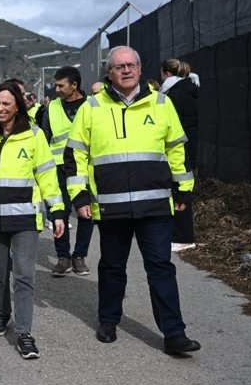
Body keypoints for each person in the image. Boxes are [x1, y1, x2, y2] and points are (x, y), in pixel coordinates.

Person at [65, 45, 201, 355]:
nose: (126, 70)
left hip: (155, 206)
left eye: (131, 65)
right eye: (119, 66)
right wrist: (80, 196)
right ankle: (108, 321)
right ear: (109, 72)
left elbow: (177, 148)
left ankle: (174, 334)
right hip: (110, 206)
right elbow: (76, 155)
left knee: (161, 268)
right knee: (112, 267)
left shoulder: (162, 103)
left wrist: (184, 189)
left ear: (140, 68)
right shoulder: (92, 107)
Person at [0, 81, 65, 359]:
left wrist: (57, 210)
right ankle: (2, 312)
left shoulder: (34, 134)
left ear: (17, 106)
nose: (1, 108)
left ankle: (24, 333)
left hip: (24, 220)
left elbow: (46, 174)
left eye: (6, 103)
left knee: (24, 276)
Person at [40, 66, 95, 276]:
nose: (57, 89)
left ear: (74, 85)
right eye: (56, 85)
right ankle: (63, 257)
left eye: (61, 85)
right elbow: (44, 139)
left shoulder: (92, 105)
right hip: (59, 169)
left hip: (84, 168)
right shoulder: (52, 107)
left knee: (86, 213)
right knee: (59, 212)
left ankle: (79, 256)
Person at [160, 58, 200, 252]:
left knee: (179, 189)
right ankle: (182, 235)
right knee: (181, 188)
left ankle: (183, 237)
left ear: (167, 73)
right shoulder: (188, 90)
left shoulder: (173, 95)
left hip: (180, 148)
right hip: (188, 146)